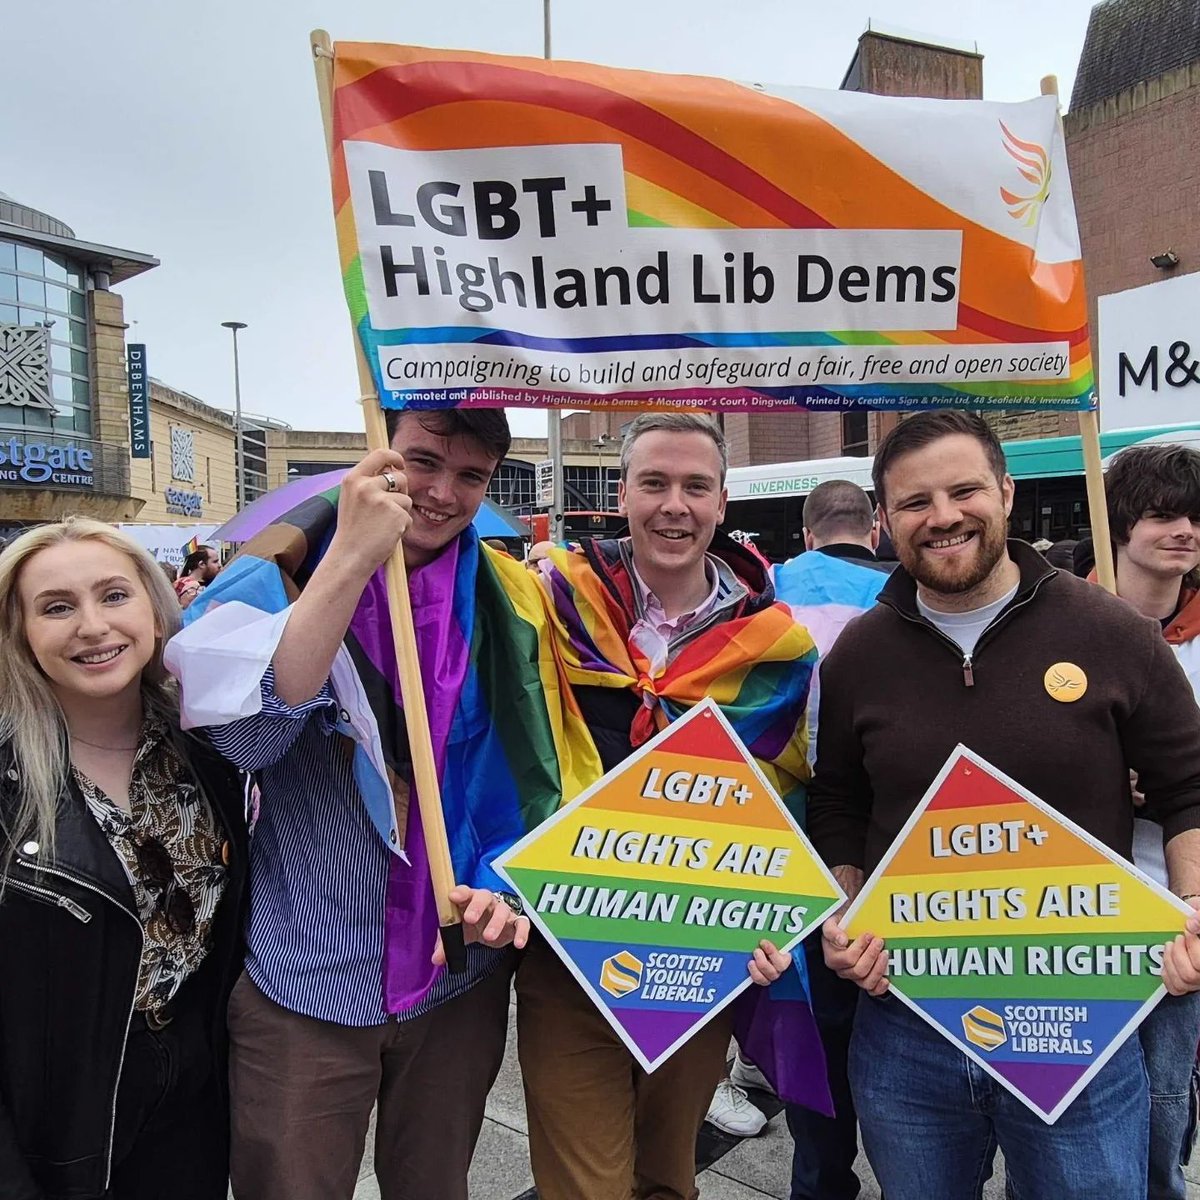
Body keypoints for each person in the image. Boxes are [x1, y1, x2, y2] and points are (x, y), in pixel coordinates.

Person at [165, 409, 558, 1200]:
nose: (441, 494)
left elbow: (538, 772)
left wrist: (507, 889)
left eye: (471, 477)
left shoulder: (512, 600)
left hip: (458, 979)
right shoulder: (278, 572)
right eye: (422, 462)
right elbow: (247, 743)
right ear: (379, 456)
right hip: (306, 984)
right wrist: (348, 558)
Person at [809, 411, 1200, 1200]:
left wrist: (1195, 903)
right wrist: (841, 913)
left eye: (964, 491)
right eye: (916, 502)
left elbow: (1188, 787)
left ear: (1006, 492)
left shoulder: (1117, 633)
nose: (944, 516)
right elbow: (840, 803)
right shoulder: (861, 652)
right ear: (885, 521)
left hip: (1084, 1022)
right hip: (907, 1020)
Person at [520, 413, 813, 1200]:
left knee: (668, 1179)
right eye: (654, 483)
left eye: (694, 486)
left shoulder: (776, 645)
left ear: (723, 503)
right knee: (584, 1187)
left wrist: (775, 919)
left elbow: (782, 800)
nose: (673, 505)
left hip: (699, 956)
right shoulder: (547, 604)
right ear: (623, 494)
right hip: (569, 947)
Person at [0, 519, 247, 1200]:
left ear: (154, 608)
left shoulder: (209, 751)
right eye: (56, 606)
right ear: (20, 632)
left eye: (113, 596)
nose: (91, 625)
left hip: (193, 1091)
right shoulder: (8, 780)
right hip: (58, 1107)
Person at [768, 480, 893, 1199]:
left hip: (801, 831)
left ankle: (820, 1182)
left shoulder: (774, 588)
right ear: (874, 528)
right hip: (902, 833)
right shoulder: (914, 587)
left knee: (819, 1026)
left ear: (810, 534)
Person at [1104, 442, 1200, 1200]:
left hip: (1179, 909)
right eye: (1164, 515)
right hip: (1079, 906)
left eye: (1195, 516)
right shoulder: (1065, 625)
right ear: (1123, 524)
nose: (1185, 530)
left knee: (1165, 1106)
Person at [174, 545, 220, 609]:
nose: (219, 565)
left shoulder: (181, 582)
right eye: (215, 562)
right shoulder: (192, 586)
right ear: (201, 564)